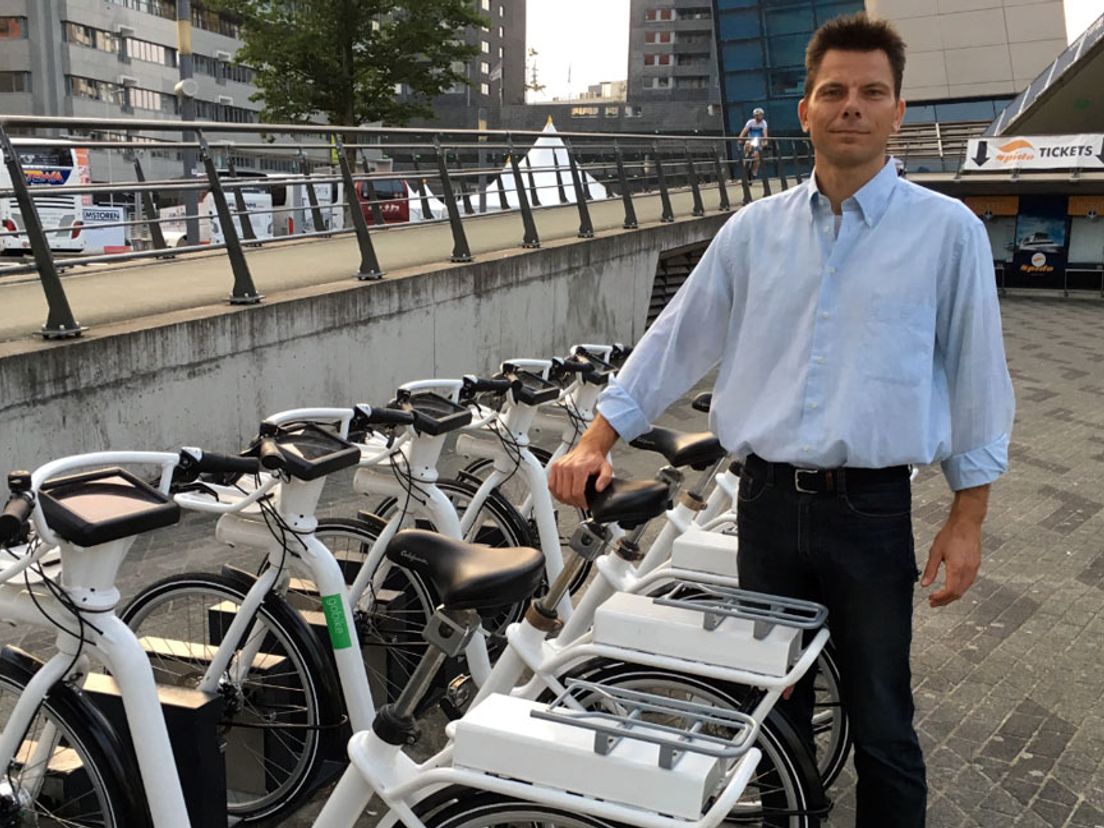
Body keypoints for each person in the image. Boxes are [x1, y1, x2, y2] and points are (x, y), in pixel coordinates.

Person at [548, 12, 1014, 827]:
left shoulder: (949, 235)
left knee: (881, 719)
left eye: (872, 92)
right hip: (765, 507)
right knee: (770, 713)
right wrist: (597, 435)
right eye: (833, 91)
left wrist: (968, 515)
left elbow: (978, 378)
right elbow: (674, 340)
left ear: (899, 111)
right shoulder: (753, 234)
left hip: (870, 512)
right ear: (805, 110)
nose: (851, 107)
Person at [738, 107, 769, 177]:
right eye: (757, 115)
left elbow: (765, 133)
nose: (759, 117)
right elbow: (744, 131)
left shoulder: (764, 123)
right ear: (754, 116)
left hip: (759, 141)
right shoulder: (750, 122)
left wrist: (765, 141)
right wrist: (740, 138)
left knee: (757, 156)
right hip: (750, 140)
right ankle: (745, 161)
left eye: (761, 115)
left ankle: (754, 170)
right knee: (747, 145)